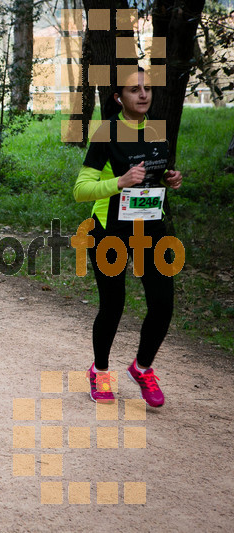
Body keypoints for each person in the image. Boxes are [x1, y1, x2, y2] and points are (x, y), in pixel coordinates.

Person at [74, 66, 182, 407]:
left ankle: (142, 367)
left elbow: (152, 171)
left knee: (163, 305)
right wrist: (118, 182)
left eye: (147, 88)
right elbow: (81, 190)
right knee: (113, 306)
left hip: (150, 229)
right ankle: (100, 373)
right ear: (119, 97)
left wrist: (168, 178)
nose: (144, 94)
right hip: (110, 231)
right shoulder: (106, 133)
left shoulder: (156, 130)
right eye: (135, 90)